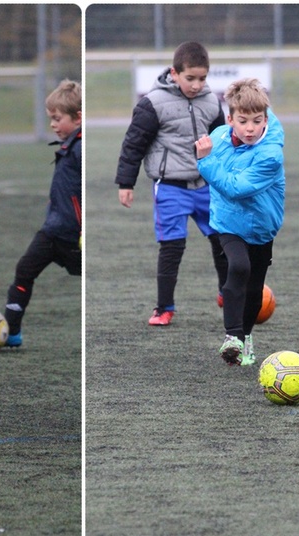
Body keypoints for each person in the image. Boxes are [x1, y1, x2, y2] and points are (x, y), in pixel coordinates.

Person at [115, 41, 228, 326]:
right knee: (172, 247)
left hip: (206, 185)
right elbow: (133, 144)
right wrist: (126, 183)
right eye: (190, 78)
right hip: (170, 187)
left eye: (202, 78)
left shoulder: (212, 102)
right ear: (174, 73)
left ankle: (228, 293)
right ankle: (164, 307)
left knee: (224, 240)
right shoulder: (153, 103)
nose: (196, 84)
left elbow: (223, 142)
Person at [194, 78, 285, 366]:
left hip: (261, 228)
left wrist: (205, 162)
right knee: (238, 266)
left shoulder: (270, 155)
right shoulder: (220, 136)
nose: (249, 128)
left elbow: (236, 188)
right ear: (230, 118)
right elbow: (220, 177)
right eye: (242, 121)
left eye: (256, 121)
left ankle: (245, 337)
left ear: (265, 119)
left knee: (255, 289)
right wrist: (206, 155)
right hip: (228, 222)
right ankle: (232, 337)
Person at [3, 79, 82, 348]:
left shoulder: (82, 148)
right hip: (53, 230)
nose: (53, 124)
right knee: (25, 269)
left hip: (74, 235)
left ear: (79, 117)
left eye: (57, 118)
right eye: (51, 118)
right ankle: (10, 333)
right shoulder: (69, 144)